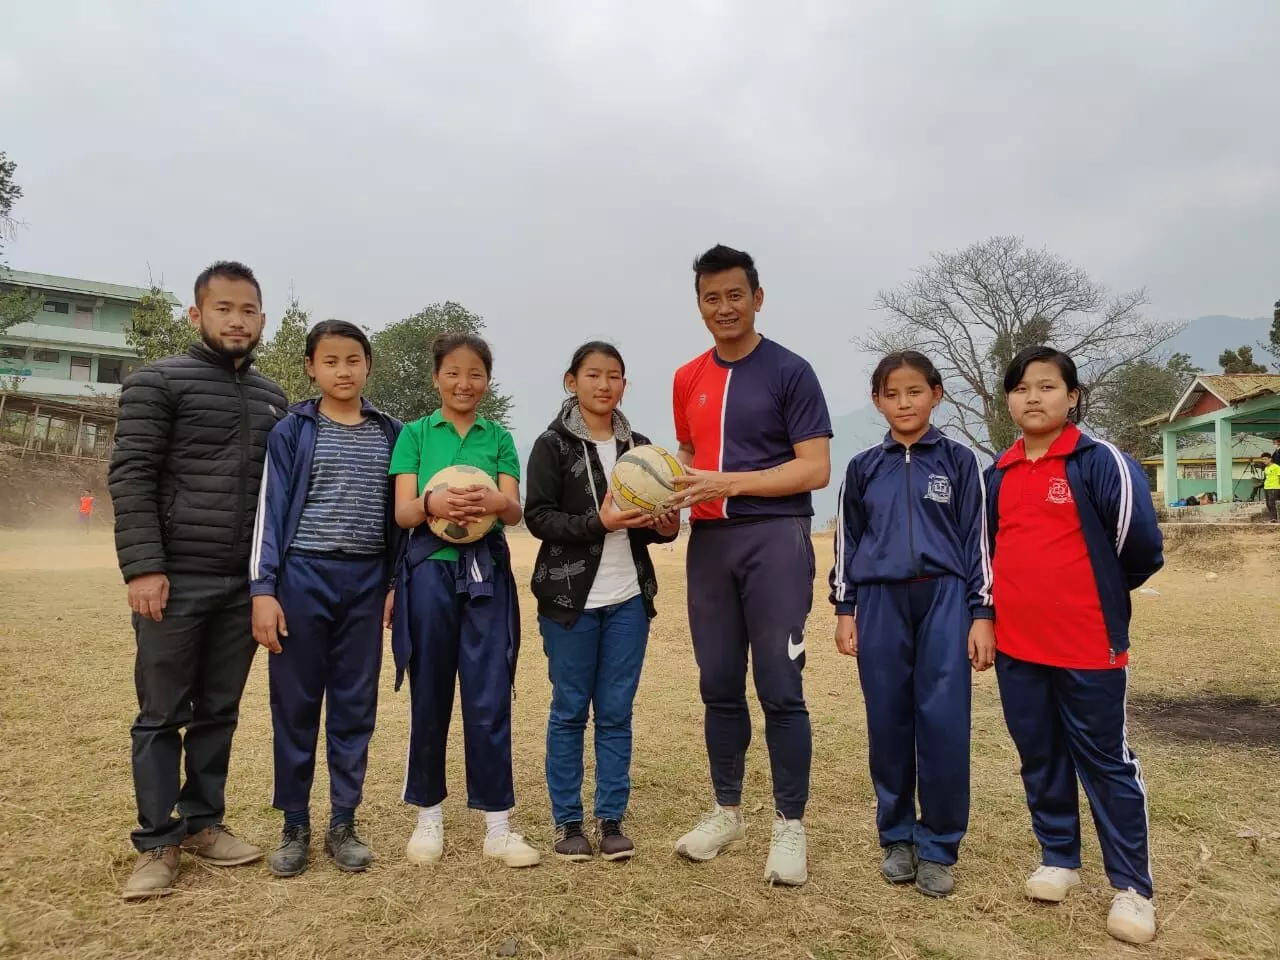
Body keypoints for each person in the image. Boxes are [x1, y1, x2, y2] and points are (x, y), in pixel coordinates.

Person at [109, 261, 286, 900]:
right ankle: (157, 842)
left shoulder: (274, 399)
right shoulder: (158, 383)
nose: (236, 321)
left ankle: (204, 822)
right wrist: (145, 567)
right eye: (223, 309)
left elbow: (278, 496)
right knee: (161, 714)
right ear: (197, 315)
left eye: (247, 310)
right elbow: (130, 476)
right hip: (175, 577)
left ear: (261, 319)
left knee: (219, 710)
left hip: (242, 585)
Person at [986, 346, 1163, 945]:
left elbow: (1138, 548)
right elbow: (986, 556)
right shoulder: (999, 474)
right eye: (1021, 389)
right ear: (1008, 400)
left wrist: (1098, 595)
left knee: (1105, 760)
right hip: (1018, 647)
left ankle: (1133, 888)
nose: (1033, 398)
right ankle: (1058, 857)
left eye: (1046, 386)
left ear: (1072, 395)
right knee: (1039, 754)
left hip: (1089, 646)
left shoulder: (1099, 462)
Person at [667, 245, 832, 887]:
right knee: (717, 683)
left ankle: (790, 825)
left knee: (781, 685)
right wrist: (668, 496)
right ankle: (726, 810)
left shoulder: (792, 371)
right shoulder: (686, 378)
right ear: (700, 304)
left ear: (757, 297)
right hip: (710, 544)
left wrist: (727, 483)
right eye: (712, 297)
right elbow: (687, 456)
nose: (724, 307)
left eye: (735, 295)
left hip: (776, 539)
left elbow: (813, 467)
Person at [829, 351, 994, 898]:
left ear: (937, 394)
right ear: (877, 401)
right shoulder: (862, 468)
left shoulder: (959, 461)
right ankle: (897, 835)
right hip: (878, 603)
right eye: (892, 394)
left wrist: (981, 613)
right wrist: (845, 609)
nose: (904, 403)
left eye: (915, 392)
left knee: (943, 722)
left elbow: (978, 541)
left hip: (945, 600)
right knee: (889, 720)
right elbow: (846, 542)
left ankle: (940, 843)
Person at [248, 320, 404, 877]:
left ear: (367, 366)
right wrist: (264, 590)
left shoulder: (391, 431)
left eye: (354, 360)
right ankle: (294, 823)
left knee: (354, 705)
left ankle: (343, 822)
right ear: (311, 367)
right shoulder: (292, 429)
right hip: (301, 578)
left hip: (364, 582)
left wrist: (392, 587)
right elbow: (269, 512)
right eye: (331, 361)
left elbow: (402, 523)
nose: (344, 370)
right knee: (295, 704)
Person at [524, 342, 680, 862]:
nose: (604, 385)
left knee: (615, 712)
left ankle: (611, 818)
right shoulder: (552, 445)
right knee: (569, 710)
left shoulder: (642, 448)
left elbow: (660, 526)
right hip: (569, 597)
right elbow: (538, 518)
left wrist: (666, 525)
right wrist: (600, 522)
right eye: (593, 375)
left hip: (628, 598)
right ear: (572, 381)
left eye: (615, 376)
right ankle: (568, 822)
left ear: (624, 385)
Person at [390, 333, 539, 869]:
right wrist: (434, 501)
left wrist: (497, 502)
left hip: (487, 574)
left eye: (475, 374)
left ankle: (498, 826)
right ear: (436, 378)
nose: (464, 383)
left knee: (489, 694)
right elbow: (404, 513)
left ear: (487, 381)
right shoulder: (413, 435)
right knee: (430, 692)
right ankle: (428, 815)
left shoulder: (498, 437)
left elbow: (514, 510)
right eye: (453, 372)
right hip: (428, 570)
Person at [1264, 453, 1280, 522]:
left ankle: (1274, 518)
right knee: (1268, 504)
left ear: (1270, 459)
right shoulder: (1266, 468)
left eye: (1265, 459)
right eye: (1262, 459)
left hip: (1274, 487)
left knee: (1272, 503)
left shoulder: (1276, 467)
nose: (1263, 461)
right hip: (1266, 487)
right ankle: (1271, 518)